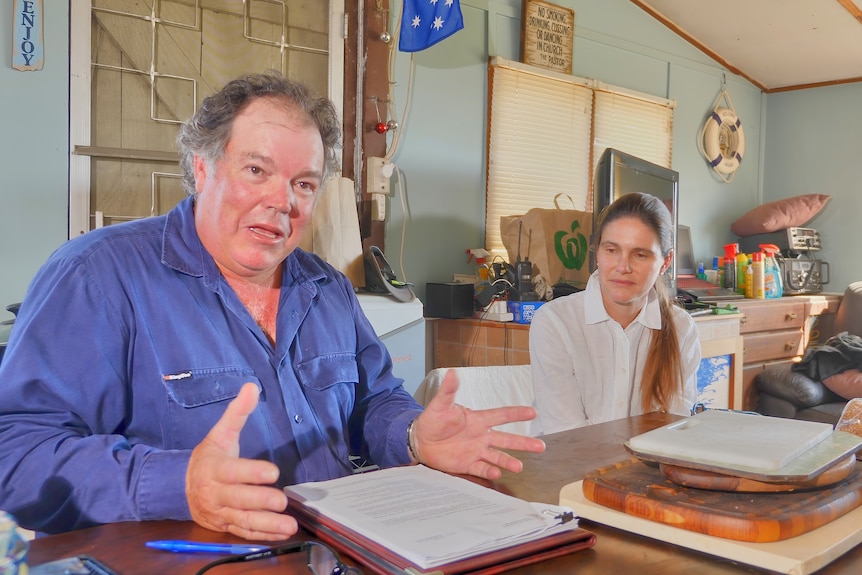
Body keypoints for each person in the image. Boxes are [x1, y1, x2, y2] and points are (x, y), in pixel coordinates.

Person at [0, 72, 544, 539]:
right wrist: (177, 483)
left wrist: (412, 435)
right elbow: (17, 454)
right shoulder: (97, 276)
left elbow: (373, 402)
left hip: (339, 549)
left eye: (303, 183)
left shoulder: (326, 288)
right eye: (256, 171)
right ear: (204, 169)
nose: (282, 201)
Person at [529, 192, 700, 435]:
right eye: (611, 250)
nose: (623, 267)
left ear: (665, 262)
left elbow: (672, 431)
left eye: (640, 254)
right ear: (597, 252)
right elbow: (566, 435)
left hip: (644, 468)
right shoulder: (554, 322)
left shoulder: (682, 328)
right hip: (566, 467)